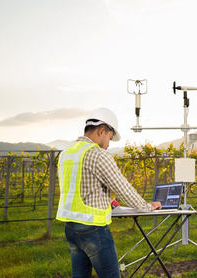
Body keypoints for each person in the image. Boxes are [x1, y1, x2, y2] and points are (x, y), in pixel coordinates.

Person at [56, 107, 162, 278]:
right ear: (102, 131)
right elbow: (123, 188)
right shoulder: (98, 155)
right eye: (110, 138)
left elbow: (78, 188)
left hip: (71, 228)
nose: (109, 144)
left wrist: (104, 200)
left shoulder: (66, 154)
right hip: (94, 230)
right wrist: (147, 206)